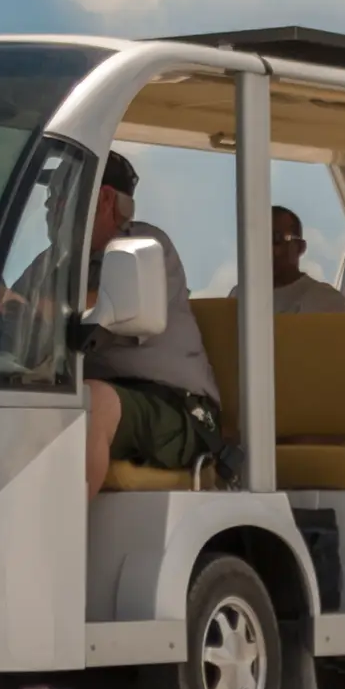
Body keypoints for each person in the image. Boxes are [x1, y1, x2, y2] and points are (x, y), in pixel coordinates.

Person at [77, 151, 224, 495]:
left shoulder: (144, 248)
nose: (49, 206)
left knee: (92, 402)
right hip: (121, 405)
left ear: (104, 200)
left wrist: (42, 307)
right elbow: (15, 308)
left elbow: (101, 303)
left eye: (60, 193)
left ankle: (52, 546)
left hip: (180, 410)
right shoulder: (56, 262)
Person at [268, 205, 345, 315]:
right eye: (258, 239)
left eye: (275, 238)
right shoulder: (239, 295)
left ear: (300, 247)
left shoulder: (324, 300)